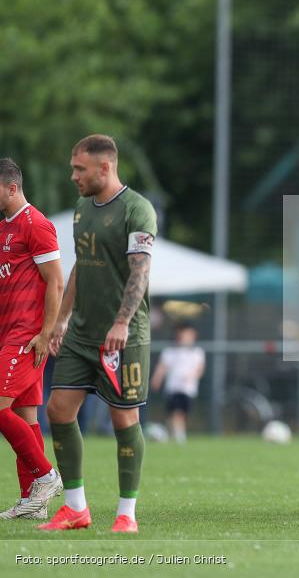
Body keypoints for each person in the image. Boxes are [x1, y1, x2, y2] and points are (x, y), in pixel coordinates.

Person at [42, 135, 157, 533]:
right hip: (81, 333)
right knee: (58, 409)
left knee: (123, 421)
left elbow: (140, 271)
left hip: (123, 336)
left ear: (104, 167)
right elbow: (81, 265)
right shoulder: (81, 209)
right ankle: (75, 508)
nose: (73, 176)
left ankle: (127, 514)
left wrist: (122, 322)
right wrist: (60, 318)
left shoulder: (137, 210)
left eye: (80, 169)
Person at [0, 158, 64, 520]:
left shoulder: (36, 224)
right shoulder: (4, 228)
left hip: (26, 336)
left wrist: (46, 332)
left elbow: (55, 280)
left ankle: (46, 475)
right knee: (26, 418)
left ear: (12, 187)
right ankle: (32, 503)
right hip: (9, 334)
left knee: (1, 410)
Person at [150, 322, 206, 444]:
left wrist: (192, 376)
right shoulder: (170, 352)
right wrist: (156, 379)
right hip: (174, 389)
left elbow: (200, 369)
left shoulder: (197, 352)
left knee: (182, 414)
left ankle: (170, 432)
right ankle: (180, 437)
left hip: (189, 389)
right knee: (177, 412)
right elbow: (162, 367)